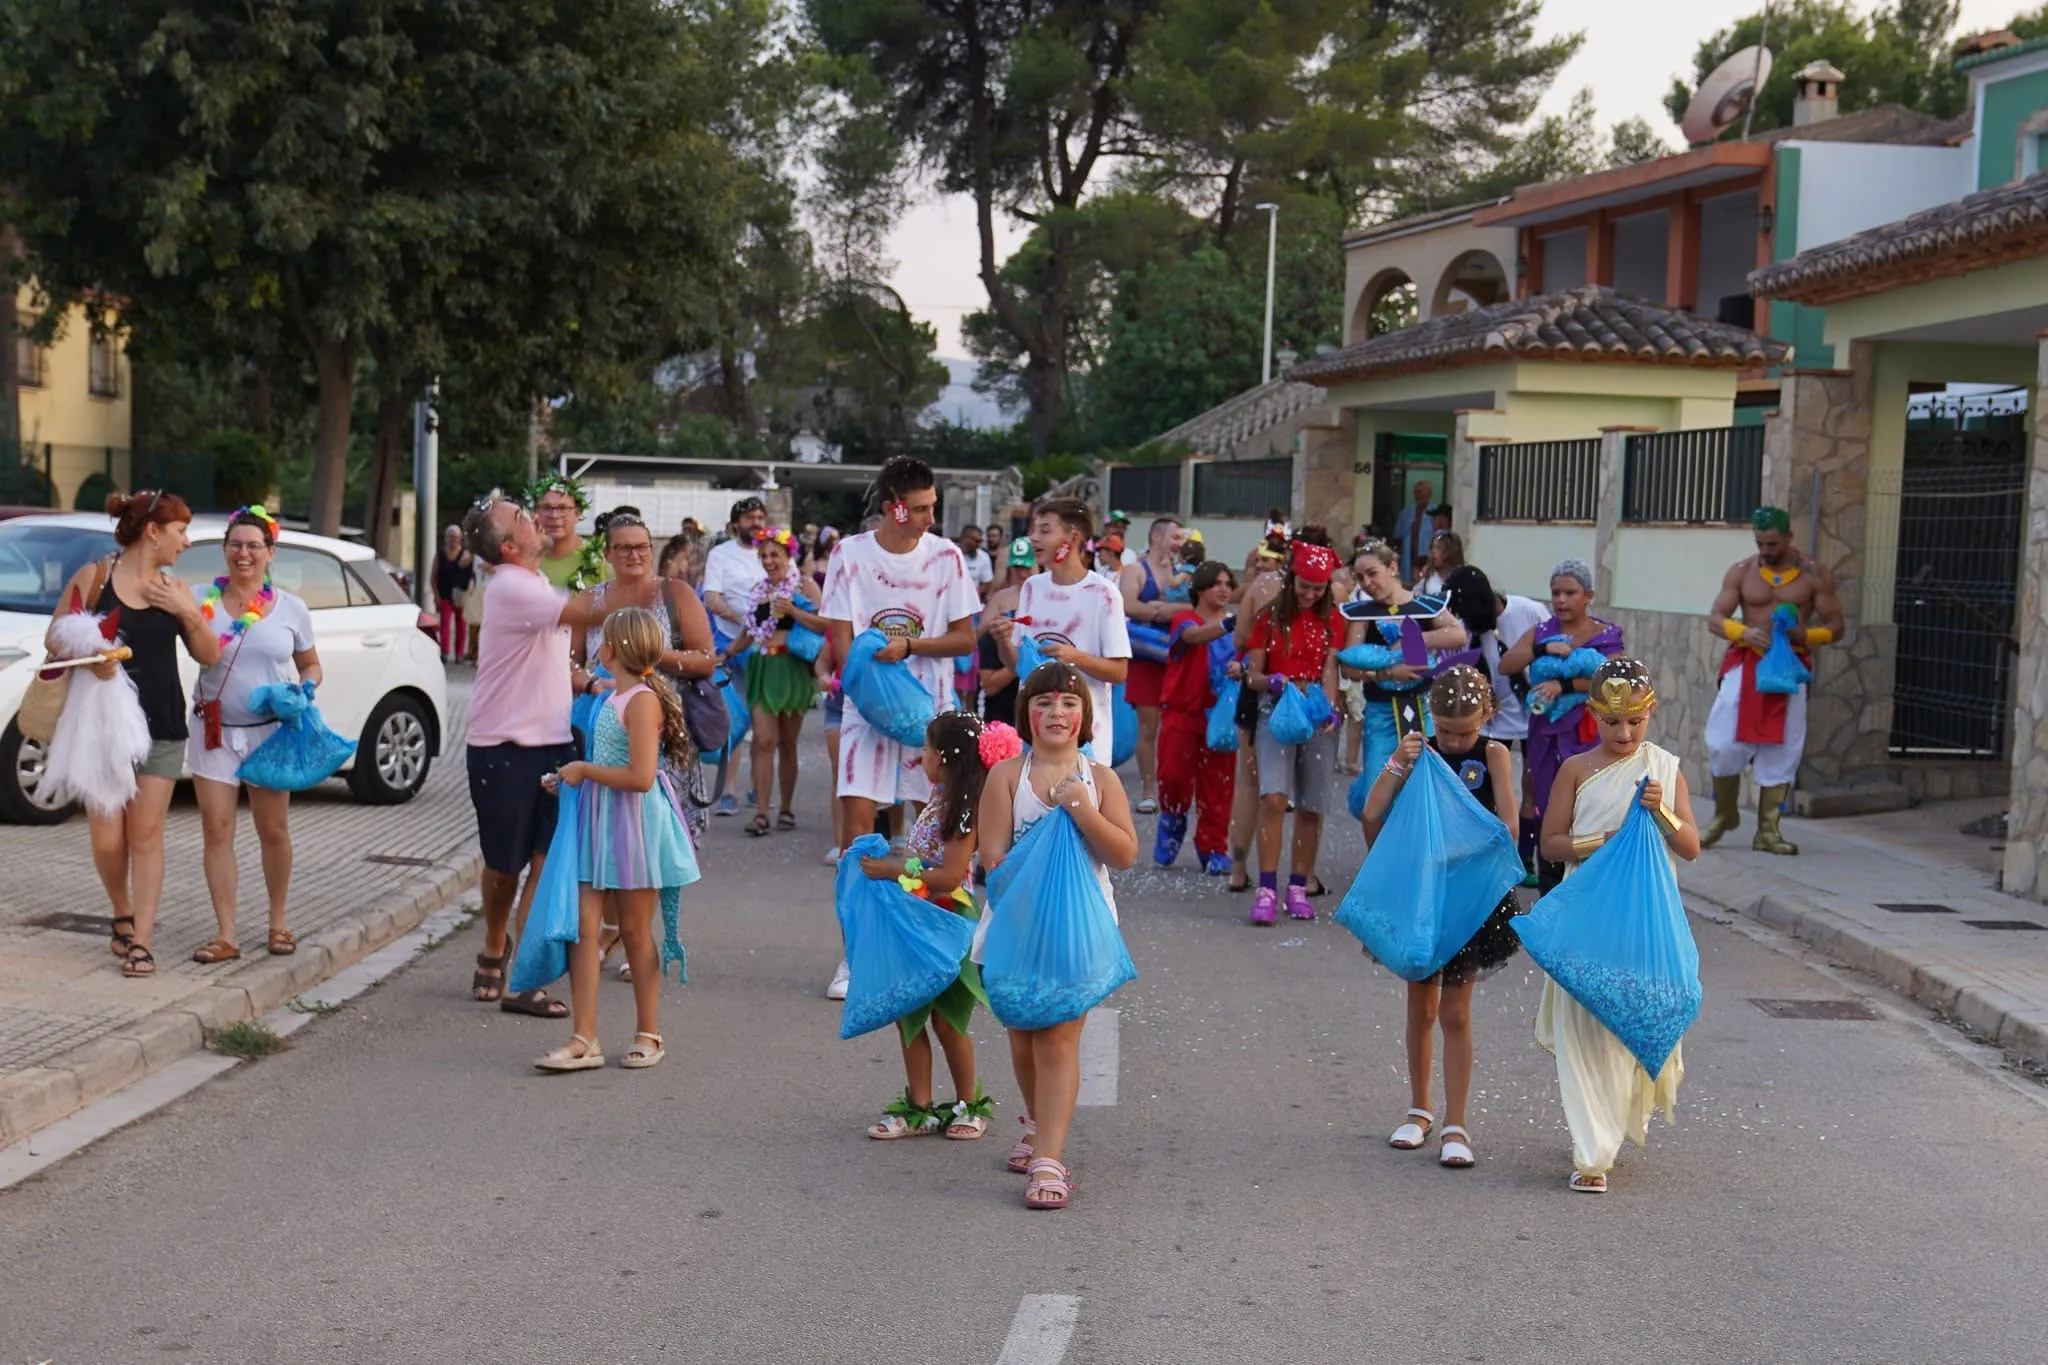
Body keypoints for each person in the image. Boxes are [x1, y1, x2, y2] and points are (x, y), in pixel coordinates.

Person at [977, 662, 1139, 1209]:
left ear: (1084, 717)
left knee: (1058, 1038)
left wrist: (1081, 810)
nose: (1056, 713)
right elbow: (992, 861)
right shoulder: (1006, 777)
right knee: (1021, 1038)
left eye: (1069, 704)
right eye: (1044, 703)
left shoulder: (1101, 780)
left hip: (1080, 930)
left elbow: (1123, 853)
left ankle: (1049, 1159)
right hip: (1015, 930)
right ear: (1026, 713)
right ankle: (1037, 1124)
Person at [1535, 658, 1700, 1193]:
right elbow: (1551, 843)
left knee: (1629, 1028)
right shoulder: (1576, 770)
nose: (1624, 733)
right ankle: (1593, 1152)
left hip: (1644, 923)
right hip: (1586, 917)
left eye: (1635, 721)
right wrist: (1601, 842)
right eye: (1612, 722)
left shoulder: (1666, 769)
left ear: (1650, 714)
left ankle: (1612, 1124)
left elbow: (1691, 848)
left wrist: (1663, 813)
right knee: (1584, 1028)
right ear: (1593, 716)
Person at [820, 457, 980, 995]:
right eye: (922, 507)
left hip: (929, 720)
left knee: (930, 838)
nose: (931, 517)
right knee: (859, 841)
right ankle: (857, 956)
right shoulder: (849, 555)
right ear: (894, 507)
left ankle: (930, 944)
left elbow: (964, 640)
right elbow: (842, 644)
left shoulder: (948, 559)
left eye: (931, 506)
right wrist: (869, 690)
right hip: (866, 719)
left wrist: (910, 646)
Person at [48, 491, 223, 978]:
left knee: (146, 836)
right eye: (180, 531)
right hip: (103, 730)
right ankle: (121, 911)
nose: (185, 542)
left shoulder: (175, 589)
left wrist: (186, 612)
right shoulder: (95, 577)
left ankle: (142, 941)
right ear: (153, 532)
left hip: (162, 726)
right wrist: (94, 651)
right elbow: (56, 635)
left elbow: (210, 654)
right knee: (108, 841)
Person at [1360, 666, 1520, 1169]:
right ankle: (1419, 1109)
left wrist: (1461, 847)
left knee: (1455, 1013)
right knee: (1420, 1011)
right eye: (1445, 730)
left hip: (1468, 899)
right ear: (1431, 716)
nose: (1453, 740)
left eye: (1464, 732)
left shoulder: (1494, 754)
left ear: (1488, 716)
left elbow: (1509, 826)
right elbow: (1372, 813)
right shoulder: (1419, 753)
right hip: (1424, 897)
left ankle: (1457, 1122)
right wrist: (1395, 762)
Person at [534, 608, 701, 1072]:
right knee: (584, 930)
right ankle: (584, 1037)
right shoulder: (613, 697)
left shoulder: (642, 701)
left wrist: (584, 770)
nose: (597, 650)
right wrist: (570, 779)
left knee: (632, 931)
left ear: (614, 650)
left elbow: (642, 777)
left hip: (632, 826)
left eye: (603, 642)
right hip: (599, 819)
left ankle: (649, 1032)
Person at [565, 512, 717, 977]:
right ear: (607, 553)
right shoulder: (589, 600)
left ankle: (639, 936)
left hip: (662, 731)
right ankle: (614, 927)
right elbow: (567, 663)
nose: (635, 555)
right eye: (624, 547)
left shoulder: (675, 594)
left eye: (643, 546)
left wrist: (646, 656)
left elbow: (706, 659)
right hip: (603, 728)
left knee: (651, 836)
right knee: (607, 831)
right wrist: (593, 683)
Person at [460, 491, 584, 1018]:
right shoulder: (511, 586)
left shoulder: (533, 582)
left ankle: (524, 979)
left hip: (553, 742)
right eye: (522, 517)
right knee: (504, 868)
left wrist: (584, 679)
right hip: (503, 747)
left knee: (543, 863)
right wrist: (645, 584)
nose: (535, 517)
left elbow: (549, 656)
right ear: (510, 546)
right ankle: (494, 941)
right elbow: (586, 610)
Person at [856, 711, 1007, 1139]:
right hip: (916, 920)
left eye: (925, 748)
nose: (921, 756)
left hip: (947, 920)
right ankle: (919, 1107)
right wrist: (888, 863)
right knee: (909, 1014)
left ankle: (966, 1104)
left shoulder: (963, 811)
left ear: (943, 756)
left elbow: (949, 874)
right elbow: (921, 862)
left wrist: (892, 872)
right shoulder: (938, 800)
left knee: (947, 1020)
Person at [187, 506, 323, 964]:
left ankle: (278, 921)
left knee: (273, 829)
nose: (243, 554)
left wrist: (306, 689)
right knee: (216, 829)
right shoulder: (199, 599)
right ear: (224, 550)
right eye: (235, 545)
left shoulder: (291, 608)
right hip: (214, 731)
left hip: (269, 734)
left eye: (253, 546)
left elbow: (311, 663)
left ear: (270, 553)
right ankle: (226, 934)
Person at [1701, 506, 1846, 856]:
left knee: (1784, 746)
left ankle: (1768, 829)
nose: (1765, 551)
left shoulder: (1814, 574)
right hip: (1747, 662)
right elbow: (1716, 619)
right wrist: (1745, 632)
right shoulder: (1742, 571)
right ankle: (1724, 815)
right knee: (1722, 741)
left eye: (1772, 544)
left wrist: (1806, 634)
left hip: (1789, 666)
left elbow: (1836, 627)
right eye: (1760, 543)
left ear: (1789, 538)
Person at [1498, 559, 1625, 890]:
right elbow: (1506, 664)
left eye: (1570, 592)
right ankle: (1550, 886)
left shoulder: (1606, 635)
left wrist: (1565, 686)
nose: (1561, 600)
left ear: (1588, 595)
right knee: (1546, 800)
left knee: (1588, 804)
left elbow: (1613, 679)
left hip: (1587, 732)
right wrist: (1541, 649)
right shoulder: (1542, 631)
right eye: (1556, 593)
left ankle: (1588, 884)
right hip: (1545, 732)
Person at [1244, 539, 1344, 924]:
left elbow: (1330, 667)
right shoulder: (1268, 618)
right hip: (1276, 711)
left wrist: (1330, 707)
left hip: (1317, 714)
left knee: (1311, 805)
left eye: (1318, 589)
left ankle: (1298, 886)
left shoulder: (1333, 619)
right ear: (1291, 580)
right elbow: (1252, 674)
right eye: (1304, 586)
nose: (1310, 594)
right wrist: (1270, 682)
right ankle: (1267, 888)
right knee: (1273, 798)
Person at [989, 499, 1131, 763]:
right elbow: (1021, 667)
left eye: (1045, 530)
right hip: (1035, 736)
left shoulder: (1103, 594)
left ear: (1072, 537)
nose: (1033, 538)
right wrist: (1002, 641)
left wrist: (1074, 657)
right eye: (1033, 529)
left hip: (1086, 740)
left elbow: (1119, 671)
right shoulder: (1032, 587)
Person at [1340, 539, 1468, 796]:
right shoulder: (1362, 614)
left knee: (1426, 787)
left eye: (1372, 573)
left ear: (1392, 568)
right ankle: (1378, 838)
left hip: (1423, 707)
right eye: (1360, 577)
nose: (1366, 583)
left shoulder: (1423, 606)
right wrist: (1386, 672)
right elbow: (1349, 668)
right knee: (1376, 792)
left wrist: (1416, 638)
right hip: (1381, 712)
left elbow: (1458, 634)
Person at [733, 527, 823, 837]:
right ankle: (761, 812)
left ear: (788, 555)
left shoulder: (805, 586)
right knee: (763, 741)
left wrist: (794, 610)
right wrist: (723, 655)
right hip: (763, 665)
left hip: (792, 666)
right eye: (764, 556)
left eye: (775, 555)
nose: (769, 561)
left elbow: (826, 624)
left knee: (787, 743)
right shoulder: (758, 590)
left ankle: (785, 808)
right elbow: (748, 631)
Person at [1156, 561, 1237, 873]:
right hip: (1182, 713)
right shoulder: (1184, 620)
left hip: (1221, 718)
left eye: (1228, 584)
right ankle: (1173, 820)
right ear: (1201, 588)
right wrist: (1232, 626)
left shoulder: (1235, 629)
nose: (1224, 589)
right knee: (1174, 777)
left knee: (1219, 786)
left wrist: (1239, 669)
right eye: (1217, 583)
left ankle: (1214, 847)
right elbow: (1193, 637)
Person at [701, 496, 770, 816]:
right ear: (735, 524)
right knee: (735, 718)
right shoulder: (721, 554)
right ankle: (728, 790)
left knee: (763, 721)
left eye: (760, 517)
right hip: (729, 644)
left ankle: (759, 787)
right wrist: (748, 623)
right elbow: (712, 599)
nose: (755, 522)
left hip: (767, 649)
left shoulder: (774, 551)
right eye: (749, 517)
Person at [1117, 516, 1187, 813]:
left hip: (1178, 654)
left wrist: (1163, 609)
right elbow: (1126, 605)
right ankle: (1148, 789)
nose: (1179, 544)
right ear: (1157, 537)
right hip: (1146, 655)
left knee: (1177, 726)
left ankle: (1173, 785)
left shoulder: (1183, 571)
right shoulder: (1135, 569)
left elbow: (1196, 605)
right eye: (1175, 537)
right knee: (1149, 726)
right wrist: (1161, 613)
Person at [529, 474, 608, 591]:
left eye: (562, 509)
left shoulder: (598, 559)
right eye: (546, 508)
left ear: (578, 513)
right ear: (535, 513)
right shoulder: (524, 558)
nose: (554, 516)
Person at [435, 524, 475, 663]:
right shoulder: (440, 554)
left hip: (461, 594)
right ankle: (445, 652)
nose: (453, 540)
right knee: (444, 624)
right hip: (445, 594)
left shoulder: (466, 554)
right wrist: (436, 595)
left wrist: (470, 591)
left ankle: (459, 654)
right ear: (446, 538)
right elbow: (433, 576)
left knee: (461, 625)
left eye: (456, 538)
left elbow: (472, 574)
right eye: (450, 537)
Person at [1393, 480, 1434, 584]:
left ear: (1429, 494)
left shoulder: (1434, 512)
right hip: (1408, 560)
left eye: (1421, 492)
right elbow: (1397, 537)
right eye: (1416, 492)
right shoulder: (1405, 513)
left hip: (1426, 559)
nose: (1418, 495)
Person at [1414, 530, 1464, 597]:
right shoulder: (1429, 575)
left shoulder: (1462, 576)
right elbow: (1415, 595)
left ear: (1450, 551)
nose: (1433, 551)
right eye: (1432, 548)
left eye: (1438, 548)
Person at [958, 524, 994, 597]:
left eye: (981, 541)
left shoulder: (983, 557)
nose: (978, 545)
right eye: (977, 541)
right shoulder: (950, 554)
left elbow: (987, 581)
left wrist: (975, 594)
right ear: (965, 538)